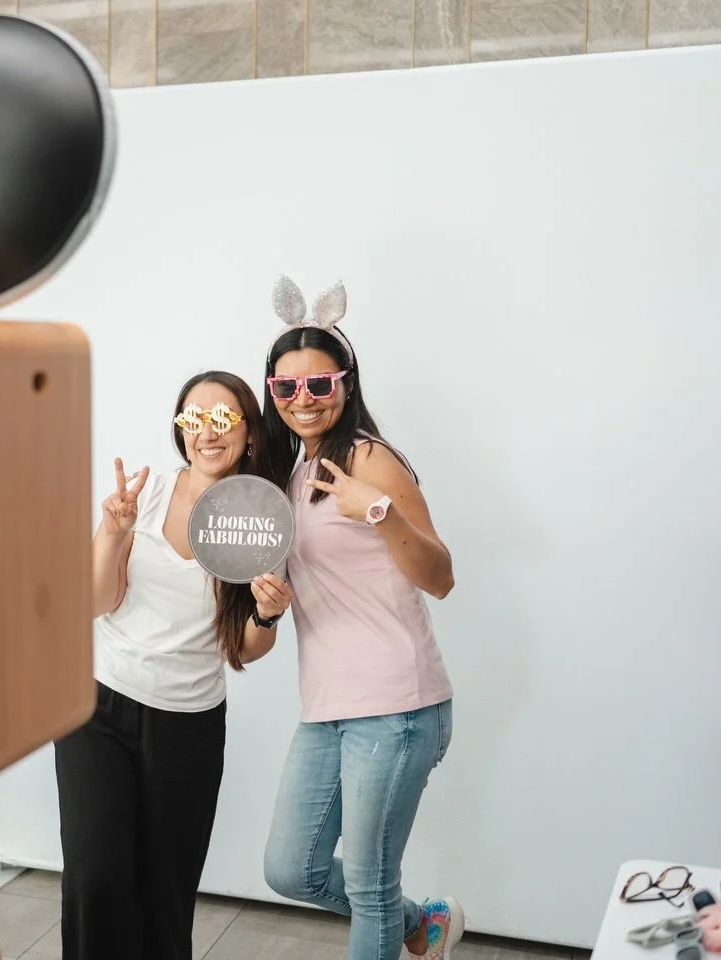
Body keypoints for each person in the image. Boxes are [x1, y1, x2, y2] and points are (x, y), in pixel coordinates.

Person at [54, 371, 293, 960]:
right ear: (180, 431)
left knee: (166, 896)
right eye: (193, 420)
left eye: (222, 420)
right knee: (95, 879)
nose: (207, 434)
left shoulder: (259, 516)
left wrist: (266, 615)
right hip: (99, 707)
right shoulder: (145, 493)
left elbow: (241, 650)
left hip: (188, 725)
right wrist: (114, 531)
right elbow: (90, 603)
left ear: (249, 434)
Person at [257, 277, 461, 960]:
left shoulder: (371, 458)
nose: (303, 400)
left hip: (397, 703)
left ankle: (397, 917)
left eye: (319, 384)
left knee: (370, 885)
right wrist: (272, 601)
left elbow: (442, 576)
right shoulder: (294, 471)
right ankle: (419, 923)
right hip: (328, 703)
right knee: (292, 869)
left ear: (346, 382)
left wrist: (378, 510)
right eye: (287, 389)